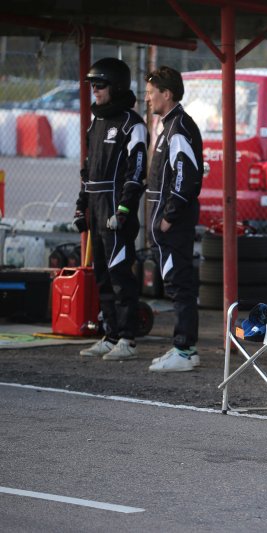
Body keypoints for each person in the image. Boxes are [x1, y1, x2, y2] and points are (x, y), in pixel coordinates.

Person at [75, 58, 148, 361]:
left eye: (100, 85)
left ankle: (128, 340)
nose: (95, 90)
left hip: (116, 212)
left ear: (116, 87)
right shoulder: (95, 123)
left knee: (120, 275)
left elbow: (138, 170)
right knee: (101, 275)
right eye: (92, 85)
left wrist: (124, 210)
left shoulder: (133, 125)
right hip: (96, 208)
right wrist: (81, 207)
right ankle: (110, 334)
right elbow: (88, 171)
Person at [144, 66, 203, 373]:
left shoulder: (179, 127)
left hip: (173, 222)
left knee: (180, 284)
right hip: (165, 220)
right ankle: (186, 349)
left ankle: (183, 349)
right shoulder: (169, 125)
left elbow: (186, 174)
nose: (147, 98)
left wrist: (169, 216)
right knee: (178, 282)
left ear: (167, 94)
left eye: (151, 93)